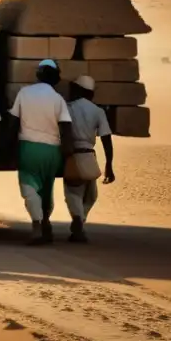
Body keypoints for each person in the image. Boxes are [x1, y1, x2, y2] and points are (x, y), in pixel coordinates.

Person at [4, 59, 74, 245]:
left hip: (29, 148)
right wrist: (67, 153)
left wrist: (8, 147)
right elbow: (66, 127)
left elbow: (13, 122)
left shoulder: (24, 93)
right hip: (52, 151)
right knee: (46, 189)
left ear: (38, 75)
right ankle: (46, 223)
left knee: (29, 188)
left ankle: (37, 226)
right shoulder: (58, 99)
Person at [64, 76, 114, 243]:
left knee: (72, 192)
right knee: (91, 195)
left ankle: (78, 219)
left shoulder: (68, 108)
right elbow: (106, 139)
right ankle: (80, 220)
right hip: (89, 155)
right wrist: (109, 165)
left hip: (72, 155)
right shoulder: (98, 111)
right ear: (90, 93)